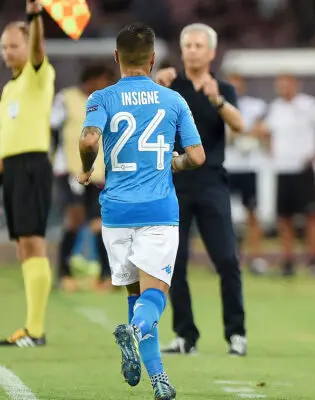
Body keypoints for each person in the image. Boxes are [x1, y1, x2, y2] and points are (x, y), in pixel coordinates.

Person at [78, 23, 205, 399]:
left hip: (116, 213)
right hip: (157, 211)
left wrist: (86, 167)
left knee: (136, 297)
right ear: (153, 59)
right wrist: (176, 163)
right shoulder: (173, 100)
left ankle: (159, 380)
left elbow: (89, 139)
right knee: (154, 297)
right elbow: (197, 156)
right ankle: (135, 332)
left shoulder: (101, 97)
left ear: (116, 57)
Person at [154, 23, 248, 356]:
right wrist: (154, 86)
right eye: (188, 46)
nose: (192, 51)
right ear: (181, 52)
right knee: (174, 263)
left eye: (198, 46)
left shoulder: (222, 88)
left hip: (211, 183)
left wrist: (217, 99)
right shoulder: (169, 86)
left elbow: (239, 125)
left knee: (227, 260)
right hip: (174, 182)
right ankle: (185, 335)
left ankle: (236, 334)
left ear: (211, 52)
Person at [0, 1, 55, 347]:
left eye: (13, 45)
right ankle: (31, 327)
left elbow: (37, 48)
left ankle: (36, 330)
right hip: (12, 168)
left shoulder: (39, 74)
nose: (7, 52)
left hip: (32, 165)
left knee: (33, 242)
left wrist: (35, 17)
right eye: (4, 47)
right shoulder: (9, 88)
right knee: (22, 245)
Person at [255, 74, 315, 276]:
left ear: (296, 85)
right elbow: (263, 131)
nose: (284, 88)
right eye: (280, 85)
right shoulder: (276, 108)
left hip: (304, 168)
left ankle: (313, 260)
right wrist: (269, 148)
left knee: (312, 215)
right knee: (284, 217)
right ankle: (288, 260)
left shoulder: (309, 105)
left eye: (287, 84)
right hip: (282, 168)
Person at [51, 64, 115, 292]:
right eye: (103, 81)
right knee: (75, 219)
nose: (105, 86)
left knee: (99, 223)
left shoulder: (107, 103)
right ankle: (64, 274)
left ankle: (106, 276)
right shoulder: (66, 99)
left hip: (98, 173)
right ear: (90, 79)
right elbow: (52, 130)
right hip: (70, 170)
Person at [224, 73, 269, 275]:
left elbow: (262, 130)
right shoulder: (219, 105)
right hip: (226, 165)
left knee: (252, 213)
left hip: (249, 166)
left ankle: (256, 256)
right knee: (223, 214)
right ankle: (226, 256)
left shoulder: (255, 106)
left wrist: (241, 132)